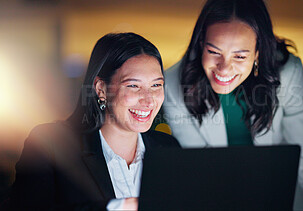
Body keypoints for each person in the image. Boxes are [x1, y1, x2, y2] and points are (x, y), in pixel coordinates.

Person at [162, 0, 303, 210]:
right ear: (201, 43)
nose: (224, 69)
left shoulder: (288, 73)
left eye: (239, 56)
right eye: (214, 52)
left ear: (258, 52)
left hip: (280, 200)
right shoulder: (174, 84)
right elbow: (203, 169)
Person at [2, 33, 180, 210]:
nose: (149, 100)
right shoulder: (51, 145)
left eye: (156, 85)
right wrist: (120, 207)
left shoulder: (168, 148)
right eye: (133, 86)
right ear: (101, 89)